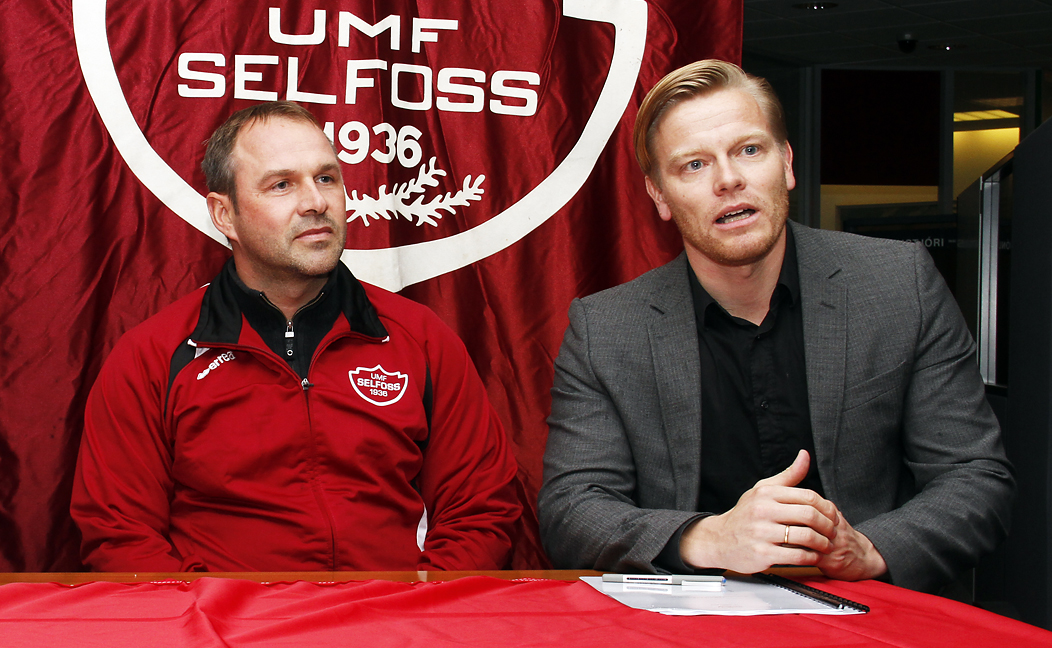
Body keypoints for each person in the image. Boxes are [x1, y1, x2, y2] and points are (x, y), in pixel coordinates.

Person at [538, 60, 1014, 592]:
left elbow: (976, 478)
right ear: (659, 196)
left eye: (749, 150)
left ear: (785, 163)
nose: (728, 179)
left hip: (868, 613)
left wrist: (868, 549)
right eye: (694, 164)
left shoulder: (900, 284)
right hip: (687, 624)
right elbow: (571, 509)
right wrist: (709, 538)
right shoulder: (605, 329)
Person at [72, 101, 521, 572]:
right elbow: (120, 535)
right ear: (224, 214)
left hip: (392, 613)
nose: (316, 202)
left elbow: (481, 512)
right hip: (220, 617)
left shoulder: (421, 339)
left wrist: (417, 605)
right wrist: (210, 613)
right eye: (282, 185)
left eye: (326, 178)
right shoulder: (152, 356)